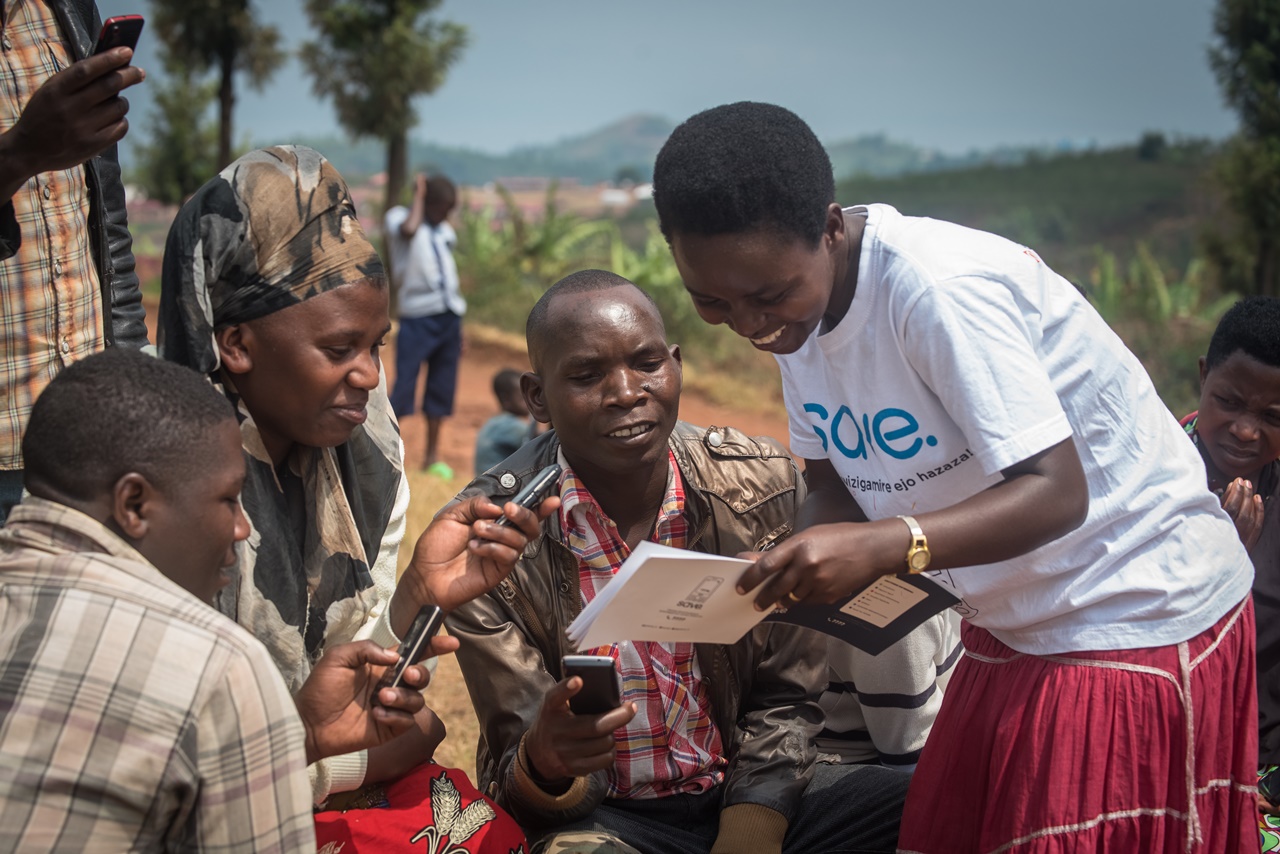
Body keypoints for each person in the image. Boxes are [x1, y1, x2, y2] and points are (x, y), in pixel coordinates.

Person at [651, 101, 1258, 853]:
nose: (750, 325)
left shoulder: (935, 293)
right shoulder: (796, 317)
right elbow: (832, 482)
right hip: (1015, 623)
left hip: (1127, 607)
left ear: (831, 230)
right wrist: (788, 561)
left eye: (769, 296)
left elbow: (1057, 490)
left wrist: (883, 547)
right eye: (711, 301)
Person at [157, 146, 544, 852]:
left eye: (377, 345)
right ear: (236, 342)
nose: (368, 376)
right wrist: (346, 759)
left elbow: (353, 681)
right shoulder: (158, 493)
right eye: (339, 349)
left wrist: (413, 603)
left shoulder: (366, 450)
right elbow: (169, 779)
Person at [447, 270, 913, 854]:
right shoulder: (488, 540)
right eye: (588, 375)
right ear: (537, 397)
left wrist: (750, 831)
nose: (626, 392)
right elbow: (520, 751)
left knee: (935, 805)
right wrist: (546, 763)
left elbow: (785, 697)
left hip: (749, 795)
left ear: (676, 364)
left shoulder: (761, 486)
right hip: (605, 820)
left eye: (647, 364)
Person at [0, 348, 436, 852]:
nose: (242, 526)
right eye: (229, 499)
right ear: (134, 504)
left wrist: (305, 735)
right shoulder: (215, 664)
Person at [0, 0, 148, 520]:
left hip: (90, 440)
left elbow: (106, 224)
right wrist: (19, 154)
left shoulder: (61, 8)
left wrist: (133, 377)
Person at [1178, 297, 1280, 844]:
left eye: (1273, 417)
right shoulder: (1145, 478)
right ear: (1203, 376)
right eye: (1230, 402)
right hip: (1170, 755)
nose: (1245, 431)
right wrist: (1222, 562)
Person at [385, 171, 465, 479]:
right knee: (405, 383)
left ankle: (432, 457)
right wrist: (418, 195)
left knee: (441, 387)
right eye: (443, 206)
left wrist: (460, 325)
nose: (447, 213)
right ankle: (390, 453)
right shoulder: (400, 219)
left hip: (449, 316)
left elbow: (451, 278)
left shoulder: (444, 230)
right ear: (427, 202)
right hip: (417, 317)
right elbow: (408, 230)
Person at [475, 367, 538, 475]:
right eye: (522, 398)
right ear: (506, 399)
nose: (529, 401)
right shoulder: (513, 427)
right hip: (498, 483)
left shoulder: (494, 422)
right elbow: (538, 449)